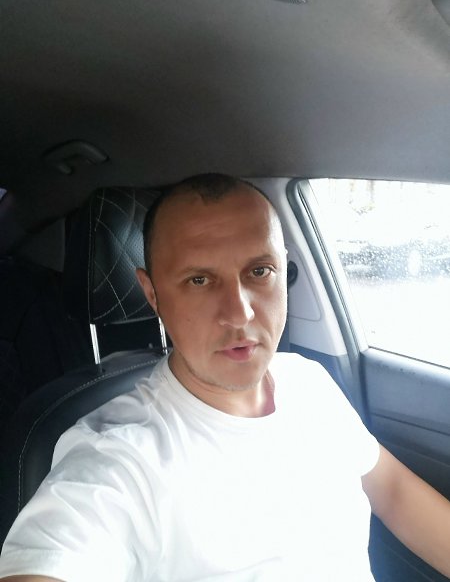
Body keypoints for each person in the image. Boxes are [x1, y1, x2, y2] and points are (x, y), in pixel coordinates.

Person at [0, 173, 450, 581]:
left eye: (259, 271)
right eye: (199, 280)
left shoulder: (309, 383)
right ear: (152, 293)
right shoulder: (119, 459)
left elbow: (393, 492)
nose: (240, 313)